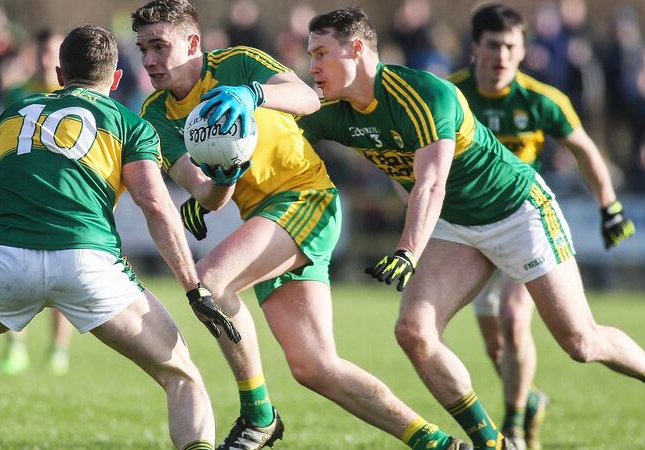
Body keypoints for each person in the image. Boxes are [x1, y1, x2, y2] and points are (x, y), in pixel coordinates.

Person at [299, 7, 645, 450]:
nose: (312, 66)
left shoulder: (423, 93)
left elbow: (431, 183)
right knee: (414, 333)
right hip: (457, 225)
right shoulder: (329, 110)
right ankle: (493, 443)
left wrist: (407, 250)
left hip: (518, 211)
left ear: (356, 49)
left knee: (581, 342)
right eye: (311, 55)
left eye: (321, 53)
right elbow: (277, 131)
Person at [133, 2, 469, 450]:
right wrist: (224, 178)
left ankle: (258, 416)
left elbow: (308, 99)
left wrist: (252, 94)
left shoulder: (238, 62)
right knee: (315, 367)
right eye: (143, 49)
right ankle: (436, 442)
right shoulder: (155, 114)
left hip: (306, 197)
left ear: (193, 43)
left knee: (210, 283)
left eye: (159, 46)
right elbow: (207, 194)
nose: (149, 60)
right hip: (264, 220)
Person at [0, 25, 239, 450]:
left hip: (5, 263)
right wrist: (194, 287)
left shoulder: (14, 114)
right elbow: (156, 206)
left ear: (59, 74)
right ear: (116, 78)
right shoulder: (129, 123)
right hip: (89, 265)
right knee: (180, 374)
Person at [447, 5, 636, 449]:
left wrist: (609, 206)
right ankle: (529, 401)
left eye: (510, 46)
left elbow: (585, 149)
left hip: (522, 221)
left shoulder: (540, 99)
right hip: (470, 228)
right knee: (496, 347)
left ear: (523, 51)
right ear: (475, 48)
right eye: (493, 45)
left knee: (517, 320)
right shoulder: (450, 96)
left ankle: (513, 427)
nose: (501, 55)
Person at [0, 28, 73, 376]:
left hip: (62, 196)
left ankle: (58, 350)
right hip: (22, 193)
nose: (46, 59)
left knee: (62, 274)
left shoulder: (74, 95)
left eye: (53, 53)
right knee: (15, 271)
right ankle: (15, 345)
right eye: (42, 52)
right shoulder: (16, 94)